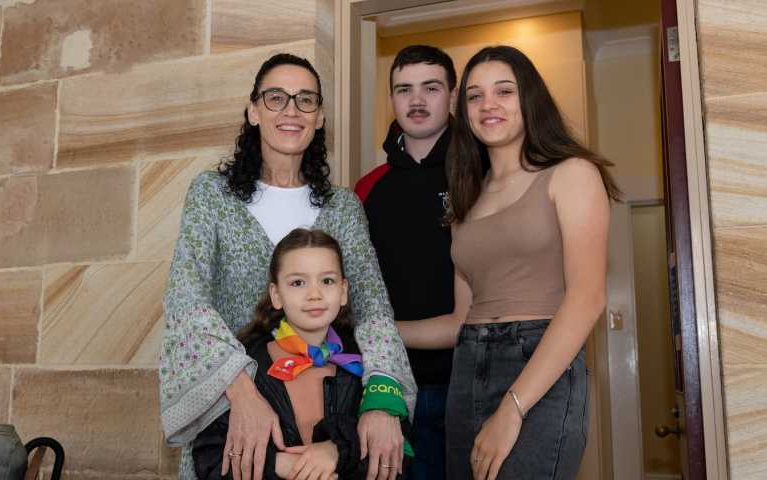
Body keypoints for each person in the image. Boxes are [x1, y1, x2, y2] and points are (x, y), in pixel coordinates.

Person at [160, 53, 416, 480]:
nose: (291, 110)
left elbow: (373, 310)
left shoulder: (342, 207)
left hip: (326, 414)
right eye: (276, 98)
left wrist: (382, 402)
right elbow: (187, 300)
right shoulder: (213, 195)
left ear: (319, 117)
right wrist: (243, 393)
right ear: (253, 111)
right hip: (232, 413)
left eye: (305, 99)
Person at [396, 45, 621, 479]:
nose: (488, 105)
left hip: (539, 364)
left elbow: (587, 299)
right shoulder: (466, 196)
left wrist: (513, 407)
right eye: (475, 96)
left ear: (529, 99)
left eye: (504, 91)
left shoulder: (571, 173)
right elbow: (459, 321)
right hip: (467, 365)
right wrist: (371, 328)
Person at [192, 228, 413, 480]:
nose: (314, 294)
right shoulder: (242, 369)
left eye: (327, 281)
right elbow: (209, 459)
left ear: (343, 291)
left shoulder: (372, 364)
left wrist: (338, 451)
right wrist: (279, 464)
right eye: (298, 283)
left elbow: (399, 454)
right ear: (276, 295)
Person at [354, 45, 456, 480]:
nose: (416, 100)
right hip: (391, 385)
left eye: (430, 88)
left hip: (469, 384)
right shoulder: (367, 188)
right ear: (391, 99)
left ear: (452, 96)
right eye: (403, 89)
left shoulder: (482, 175)